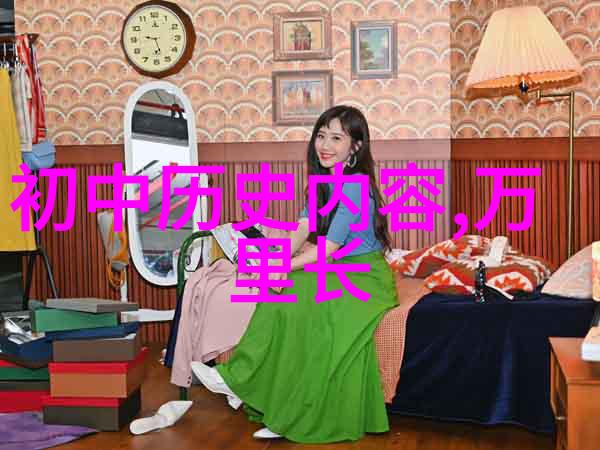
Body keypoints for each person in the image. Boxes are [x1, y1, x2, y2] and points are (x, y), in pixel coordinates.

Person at [192, 105, 398, 443]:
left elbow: (329, 247)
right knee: (280, 297)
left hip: (365, 275)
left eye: (336, 138)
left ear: (356, 147)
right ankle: (245, 385)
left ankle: (270, 402)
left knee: (302, 303)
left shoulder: (356, 187)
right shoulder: (322, 183)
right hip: (337, 268)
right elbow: (300, 232)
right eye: (321, 135)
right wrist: (271, 263)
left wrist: (278, 267)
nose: (325, 145)